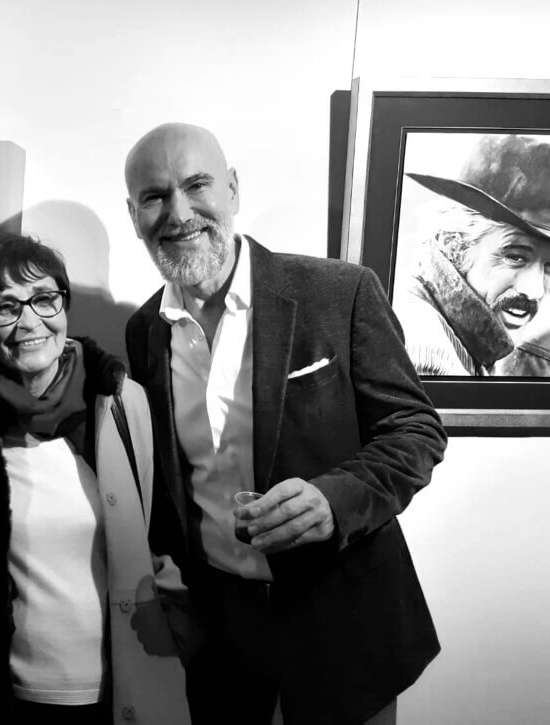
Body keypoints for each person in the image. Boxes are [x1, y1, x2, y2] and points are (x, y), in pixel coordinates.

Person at [123, 122, 447, 725]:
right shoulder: (144, 331)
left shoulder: (338, 291)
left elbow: (415, 430)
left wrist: (333, 499)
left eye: (197, 185)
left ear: (234, 189)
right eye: (154, 196)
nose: (179, 212)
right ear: (133, 212)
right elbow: (169, 482)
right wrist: (168, 578)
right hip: (222, 635)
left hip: (342, 619)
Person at [0, 233, 190, 725]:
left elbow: (158, 534)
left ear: (64, 304)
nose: (29, 321)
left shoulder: (120, 403)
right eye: (4, 307)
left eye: (44, 299)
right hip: (7, 694)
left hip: (126, 682)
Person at [396, 133, 550, 376]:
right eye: (515, 257)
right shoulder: (426, 352)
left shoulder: (468, 343)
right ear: (454, 244)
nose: (535, 291)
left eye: (549, 267)